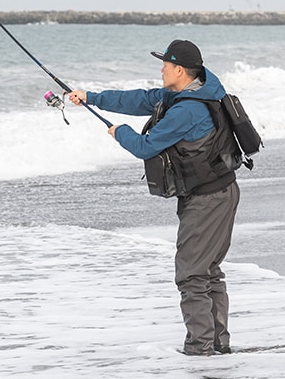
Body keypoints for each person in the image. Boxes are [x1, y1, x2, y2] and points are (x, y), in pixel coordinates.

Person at [67, 39, 241, 356]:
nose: (160, 69)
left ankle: (200, 349)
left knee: (191, 273)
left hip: (208, 199)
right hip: (220, 191)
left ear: (179, 69)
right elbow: (142, 100)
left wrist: (119, 132)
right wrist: (91, 97)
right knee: (207, 271)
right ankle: (217, 346)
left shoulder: (188, 110)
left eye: (165, 64)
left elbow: (146, 147)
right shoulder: (193, 91)